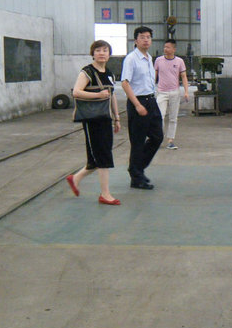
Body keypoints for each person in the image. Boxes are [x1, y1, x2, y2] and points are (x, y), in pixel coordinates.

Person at [66, 40, 122, 205]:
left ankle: (75, 179)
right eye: (98, 50)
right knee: (103, 156)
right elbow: (76, 92)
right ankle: (105, 194)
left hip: (105, 118)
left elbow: (111, 96)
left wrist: (117, 117)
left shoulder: (109, 73)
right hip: (92, 120)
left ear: (109, 54)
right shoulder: (87, 72)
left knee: (97, 158)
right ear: (93, 54)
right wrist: (97, 95)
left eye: (105, 50)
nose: (102, 53)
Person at [120, 26, 163, 190]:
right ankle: (136, 177)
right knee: (138, 141)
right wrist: (137, 105)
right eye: (142, 37)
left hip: (151, 101)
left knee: (157, 137)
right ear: (135, 40)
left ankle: (136, 168)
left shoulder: (149, 57)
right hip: (138, 102)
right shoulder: (131, 59)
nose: (146, 40)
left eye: (148, 37)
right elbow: (125, 83)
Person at [154, 39, 189, 150]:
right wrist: (151, 88)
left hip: (174, 92)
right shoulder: (158, 60)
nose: (165, 49)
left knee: (173, 118)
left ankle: (170, 140)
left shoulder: (179, 61)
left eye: (168, 47)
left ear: (174, 49)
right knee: (159, 116)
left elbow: (183, 76)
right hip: (161, 92)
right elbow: (154, 75)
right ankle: (158, 139)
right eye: (165, 47)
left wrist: (186, 91)